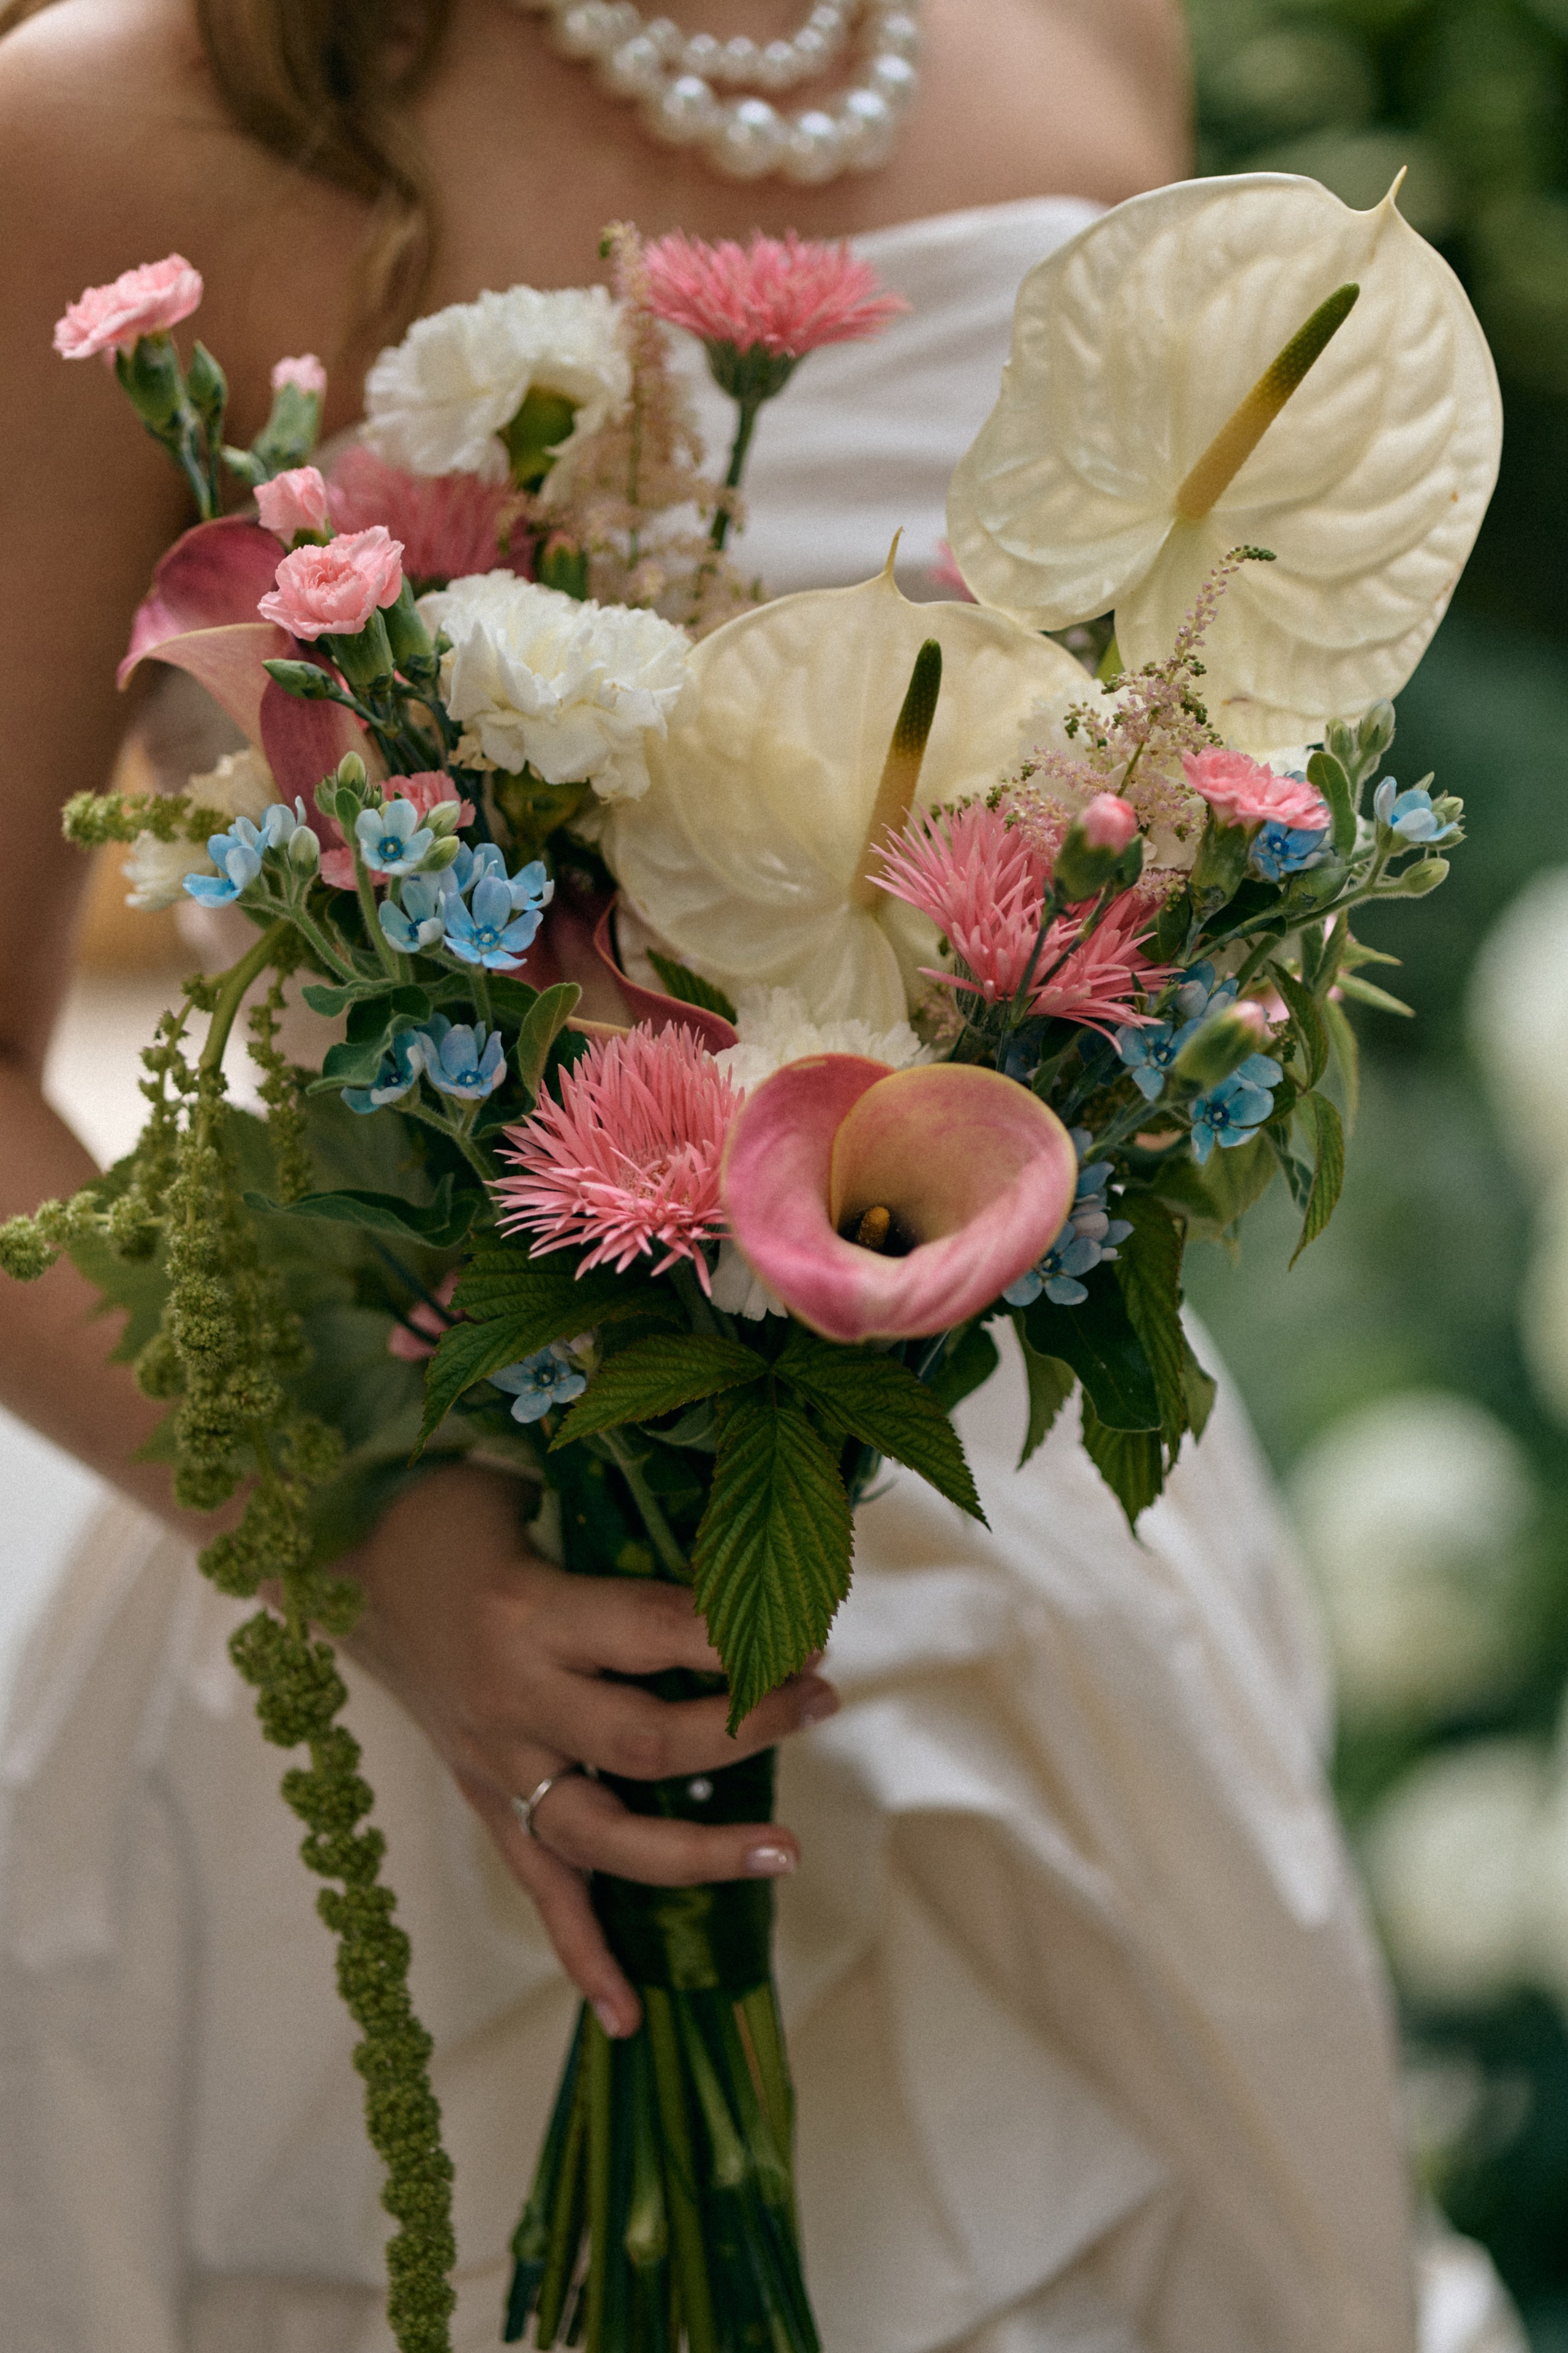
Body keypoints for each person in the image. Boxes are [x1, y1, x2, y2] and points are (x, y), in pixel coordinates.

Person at [0, 4, 1523, 2349]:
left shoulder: (1091, 27)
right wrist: (375, 1542)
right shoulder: (122, 125)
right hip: (393, 1566)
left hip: (1036, 1612)